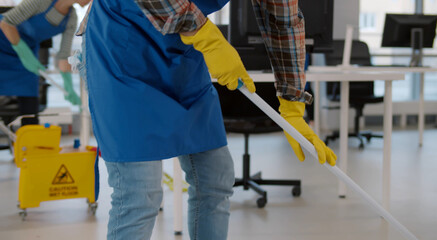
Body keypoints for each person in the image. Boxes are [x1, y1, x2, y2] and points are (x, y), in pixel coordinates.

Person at [76, 0, 337, 239]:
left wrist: (292, 102)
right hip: (122, 48)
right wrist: (207, 36)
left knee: (215, 177)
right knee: (139, 194)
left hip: (183, 49)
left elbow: (283, 19)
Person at [0, 0, 85, 125]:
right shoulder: (41, 1)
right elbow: (6, 23)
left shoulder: (71, 18)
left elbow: (63, 55)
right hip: (3, 41)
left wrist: (69, 86)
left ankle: (31, 140)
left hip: (26, 51)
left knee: (30, 95)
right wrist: (23, 52)